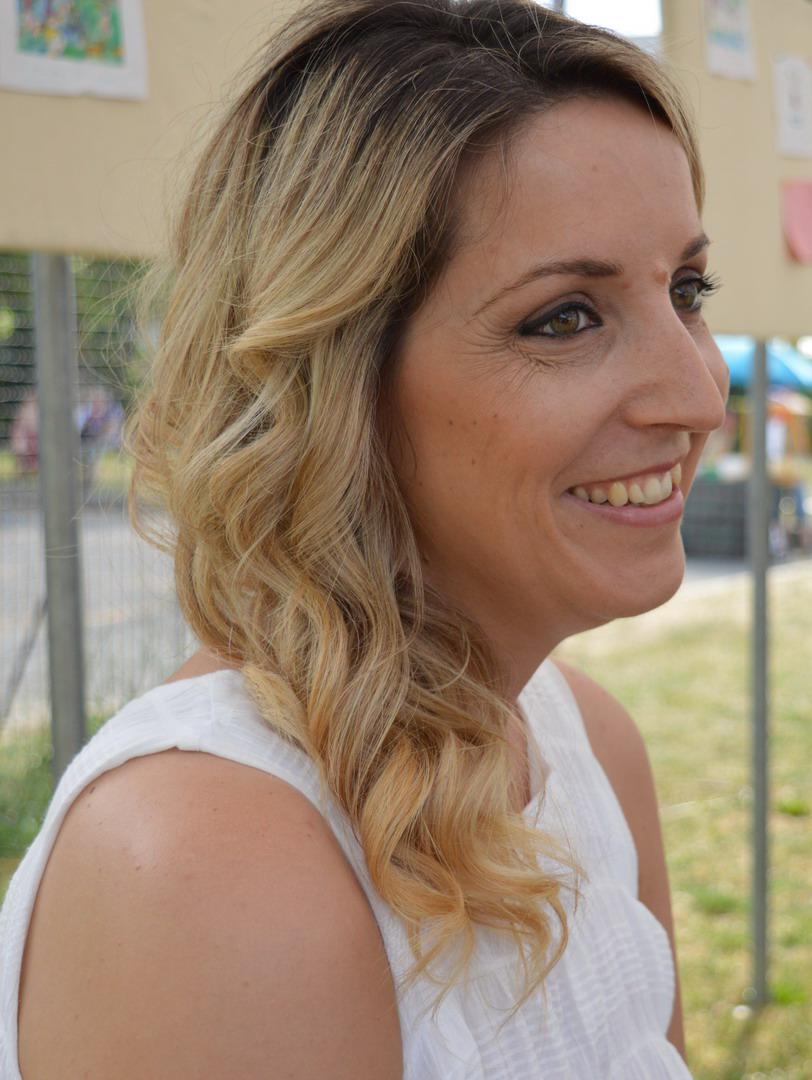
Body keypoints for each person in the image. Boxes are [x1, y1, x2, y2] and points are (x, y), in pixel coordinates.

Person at [0, 1, 730, 1077]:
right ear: (333, 382)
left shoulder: (586, 745)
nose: (699, 395)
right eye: (565, 317)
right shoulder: (213, 865)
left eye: (687, 290)